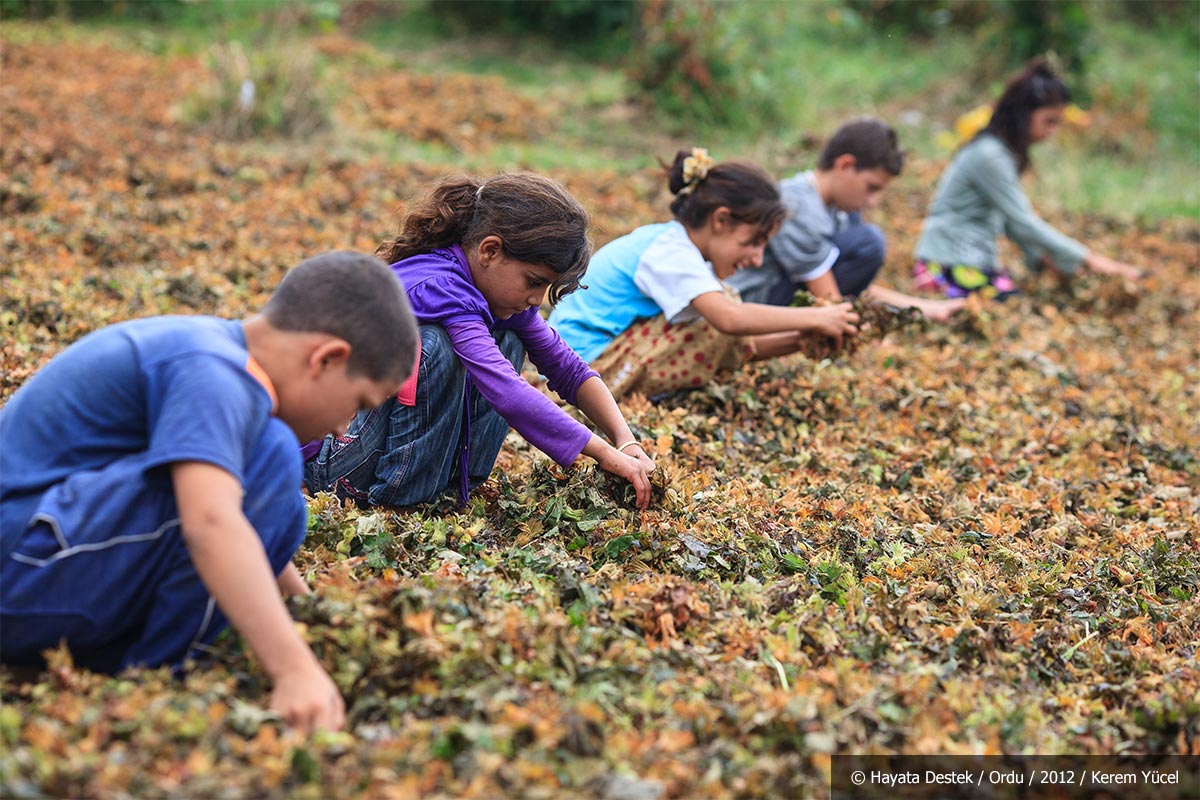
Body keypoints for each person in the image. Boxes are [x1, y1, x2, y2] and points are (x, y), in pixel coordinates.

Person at [0, 251, 419, 734]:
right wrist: (293, 668)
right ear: (326, 359)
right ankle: (151, 679)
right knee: (273, 455)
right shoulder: (213, 371)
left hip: (42, 563)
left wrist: (310, 616)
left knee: (274, 487)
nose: (344, 427)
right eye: (357, 404)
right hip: (19, 569)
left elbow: (252, 524)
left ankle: (128, 663)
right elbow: (212, 522)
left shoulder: (213, 353)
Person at [303, 173, 656, 510]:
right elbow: (508, 391)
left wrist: (625, 440)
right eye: (533, 281)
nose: (537, 299)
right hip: (333, 463)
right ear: (489, 251)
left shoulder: (494, 294)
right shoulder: (439, 287)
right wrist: (604, 454)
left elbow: (568, 369)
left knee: (509, 337)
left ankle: (454, 483)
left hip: (375, 451)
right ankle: (400, 499)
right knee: (433, 348)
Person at [547, 148, 861, 400]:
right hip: (579, 368)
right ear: (721, 220)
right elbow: (730, 322)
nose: (756, 259)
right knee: (718, 316)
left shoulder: (677, 247)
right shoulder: (670, 250)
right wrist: (816, 317)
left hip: (591, 358)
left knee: (719, 309)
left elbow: (736, 338)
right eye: (753, 243)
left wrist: (803, 338)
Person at [913, 57, 1142, 298]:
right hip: (948, 262)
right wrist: (1092, 260)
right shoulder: (989, 155)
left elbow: (1012, 223)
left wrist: (1043, 259)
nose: (1052, 132)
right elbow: (1023, 220)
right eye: (1049, 121)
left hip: (970, 260)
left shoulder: (1001, 154)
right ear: (1024, 113)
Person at [726, 118, 964, 322]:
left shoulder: (837, 211)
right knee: (868, 243)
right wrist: (857, 332)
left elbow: (848, 286)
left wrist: (924, 308)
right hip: (752, 302)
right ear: (844, 165)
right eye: (871, 188)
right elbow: (827, 297)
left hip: (787, 294)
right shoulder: (797, 207)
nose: (873, 201)